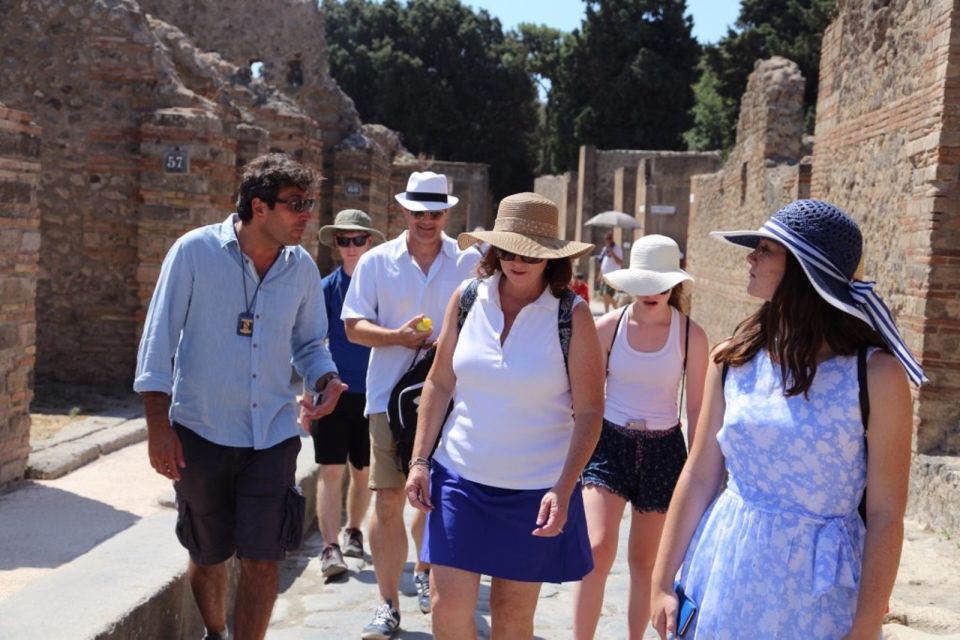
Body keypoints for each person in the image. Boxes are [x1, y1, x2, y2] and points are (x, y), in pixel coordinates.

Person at [650, 200, 922, 639]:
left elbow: (887, 511)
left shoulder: (876, 375)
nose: (749, 258)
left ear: (803, 268)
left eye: (764, 249)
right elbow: (700, 475)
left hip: (820, 593)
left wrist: (868, 623)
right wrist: (661, 581)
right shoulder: (733, 359)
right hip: (726, 570)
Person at [134, 153, 347, 640]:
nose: (306, 215)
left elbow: (311, 344)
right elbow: (158, 340)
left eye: (308, 203)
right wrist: (157, 428)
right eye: (296, 205)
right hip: (201, 432)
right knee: (208, 555)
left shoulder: (302, 269)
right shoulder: (193, 252)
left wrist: (324, 379)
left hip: (271, 434)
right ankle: (215, 632)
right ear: (259, 206)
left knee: (263, 558)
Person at [404, 192, 605, 640]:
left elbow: (591, 412)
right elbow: (439, 384)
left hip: (534, 490)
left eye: (530, 252)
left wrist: (565, 486)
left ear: (551, 257)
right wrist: (420, 461)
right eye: (509, 249)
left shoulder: (572, 315)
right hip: (460, 477)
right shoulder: (468, 297)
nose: (518, 260)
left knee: (512, 618)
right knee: (446, 610)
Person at [342, 171, 481, 639]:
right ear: (404, 210)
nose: (426, 219)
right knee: (387, 502)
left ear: (448, 212)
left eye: (435, 211)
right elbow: (353, 326)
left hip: (452, 400)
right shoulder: (377, 261)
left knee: (443, 500)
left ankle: (426, 571)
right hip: (387, 399)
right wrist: (398, 337)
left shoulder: (469, 263)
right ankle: (386, 602)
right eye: (418, 211)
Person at [573, 234, 709, 640]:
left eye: (661, 283)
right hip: (609, 442)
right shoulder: (606, 329)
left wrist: (703, 472)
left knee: (645, 564)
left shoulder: (691, 336)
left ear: (675, 285)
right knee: (596, 549)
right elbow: (584, 398)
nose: (652, 292)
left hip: (665, 449)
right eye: (645, 283)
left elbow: (701, 409)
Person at [299, 209, 385, 580]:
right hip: (332, 390)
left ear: (370, 243)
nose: (351, 247)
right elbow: (309, 343)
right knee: (330, 469)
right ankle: (330, 547)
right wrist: (307, 397)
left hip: (374, 392)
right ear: (336, 245)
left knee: (363, 471)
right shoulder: (325, 288)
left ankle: (354, 530)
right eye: (344, 240)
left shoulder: (382, 288)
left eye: (358, 239)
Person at [596, 231, 624, 312]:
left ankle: (617, 310)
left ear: (612, 239)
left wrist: (612, 253)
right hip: (605, 275)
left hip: (613, 276)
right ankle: (606, 312)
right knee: (604, 295)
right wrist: (600, 274)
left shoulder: (617, 249)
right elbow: (603, 262)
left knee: (607, 294)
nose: (607, 241)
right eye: (606, 239)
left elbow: (620, 262)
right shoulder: (605, 249)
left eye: (609, 239)